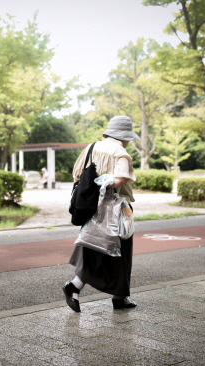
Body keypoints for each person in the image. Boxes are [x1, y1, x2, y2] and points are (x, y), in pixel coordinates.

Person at [63, 115, 140, 312]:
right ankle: (118, 297)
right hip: (117, 209)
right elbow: (121, 179)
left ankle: (75, 287)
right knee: (121, 251)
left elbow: (77, 174)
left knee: (91, 248)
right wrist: (106, 182)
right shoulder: (121, 153)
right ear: (125, 136)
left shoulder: (91, 147)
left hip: (91, 207)